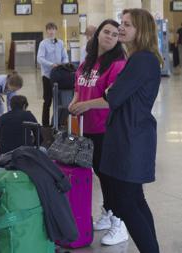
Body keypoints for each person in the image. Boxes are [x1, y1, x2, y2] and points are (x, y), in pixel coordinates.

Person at [100, 9, 163, 253]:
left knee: (125, 203)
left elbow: (113, 96)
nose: (121, 28)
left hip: (131, 138)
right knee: (135, 198)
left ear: (142, 30)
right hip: (133, 134)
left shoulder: (141, 60)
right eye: (121, 23)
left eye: (127, 25)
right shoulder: (141, 59)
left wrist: (110, 91)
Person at [68, 19, 128, 246]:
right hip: (87, 129)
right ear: (97, 34)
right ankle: (108, 212)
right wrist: (75, 103)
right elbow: (78, 88)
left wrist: (87, 105)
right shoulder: (87, 62)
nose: (110, 37)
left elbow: (112, 99)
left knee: (111, 177)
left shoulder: (117, 65)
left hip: (107, 129)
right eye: (106, 32)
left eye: (115, 34)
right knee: (100, 174)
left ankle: (120, 223)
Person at [37, 22, 69, 127]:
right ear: (46, 31)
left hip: (59, 75)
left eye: (53, 29)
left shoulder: (60, 43)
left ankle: (58, 122)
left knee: (59, 99)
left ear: (56, 30)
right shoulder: (43, 43)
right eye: (49, 29)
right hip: (47, 75)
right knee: (47, 100)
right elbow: (40, 58)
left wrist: (64, 64)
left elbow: (65, 56)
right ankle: (45, 125)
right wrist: (52, 65)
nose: (51, 31)